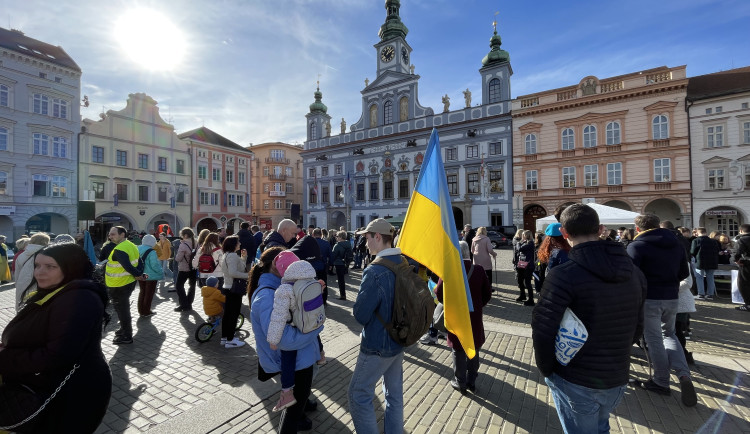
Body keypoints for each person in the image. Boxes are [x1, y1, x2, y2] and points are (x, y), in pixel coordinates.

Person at [532, 204, 647, 433]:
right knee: (601, 427)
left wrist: (547, 370)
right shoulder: (634, 271)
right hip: (616, 374)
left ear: (564, 233)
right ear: (601, 229)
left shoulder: (563, 275)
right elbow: (639, 323)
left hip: (575, 377)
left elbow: (543, 327)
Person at [0, 243, 112, 433]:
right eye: (37, 266)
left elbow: (58, 355)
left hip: (70, 394)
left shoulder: (79, 298)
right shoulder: (56, 292)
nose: (39, 272)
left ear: (70, 267)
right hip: (48, 386)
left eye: (50, 266)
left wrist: (4, 358)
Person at [250, 247, 322, 433]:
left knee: (299, 401)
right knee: (292, 412)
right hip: (294, 361)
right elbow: (283, 340)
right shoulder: (268, 295)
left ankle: (301, 414)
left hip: (301, 357)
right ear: (276, 265)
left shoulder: (288, 287)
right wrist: (317, 328)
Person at [627, 214, 696, 406]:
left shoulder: (636, 246)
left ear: (638, 228)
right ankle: (683, 375)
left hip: (649, 298)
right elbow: (683, 272)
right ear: (658, 226)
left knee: (654, 338)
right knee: (670, 335)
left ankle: (661, 381)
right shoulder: (676, 243)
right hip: (672, 297)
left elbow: (630, 274)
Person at [348, 219, 403, 433]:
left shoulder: (375, 270)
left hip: (377, 344)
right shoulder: (403, 262)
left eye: (367, 238)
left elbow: (361, 315)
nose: (365, 243)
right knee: (394, 395)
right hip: (399, 340)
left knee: (358, 394)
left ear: (377, 237)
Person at [267, 257, 326, 412]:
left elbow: (278, 317)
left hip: (293, 327)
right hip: (311, 325)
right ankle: (321, 355)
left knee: (287, 359)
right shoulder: (312, 283)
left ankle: (287, 393)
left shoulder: (284, 290)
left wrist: (273, 339)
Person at [435, 242, 492, 394]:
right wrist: (478, 305)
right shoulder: (479, 270)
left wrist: (450, 304)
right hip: (474, 316)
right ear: (469, 252)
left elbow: (439, 293)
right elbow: (487, 293)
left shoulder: (449, 270)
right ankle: (471, 381)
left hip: (456, 316)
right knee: (472, 348)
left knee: (458, 350)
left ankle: (460, 382)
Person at [106, 226, 146, 345]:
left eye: (113, 234)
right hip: (127, 283)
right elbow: (140, 262)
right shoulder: (131, 245)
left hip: (118, 285)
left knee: (122, 310)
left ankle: (127, 335)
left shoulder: (120, 249)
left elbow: (127, 266)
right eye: (110, 234)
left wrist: (137, 274)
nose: (110, 237)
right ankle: (123, 329)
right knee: (123, 308)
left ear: (122, 234)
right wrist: (138, 274)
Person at [219, 235, 248, 348]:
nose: (240, 243)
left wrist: (243, 257)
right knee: (233, 314)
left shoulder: (227, 255)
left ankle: (225, 337)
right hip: (233, 288)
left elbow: (238, 268)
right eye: (238, 242)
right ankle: (230, 340)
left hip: (228, 287)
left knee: (227, 314)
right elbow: (233, 272)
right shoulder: (232, 256)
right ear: (233, 244)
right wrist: (248, 275)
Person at [13, 232, 51, 312]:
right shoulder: (48, 254)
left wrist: (18, 285)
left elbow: (17, 274)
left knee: (22, 310)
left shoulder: (22, 255)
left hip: (22, 286)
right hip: (39, 285)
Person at [137, 234, 163, 317]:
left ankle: (141, 311)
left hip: (141, 274)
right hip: (150, 275)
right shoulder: (151, 251)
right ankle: (146, 311)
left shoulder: (137, 249)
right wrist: (161, 272)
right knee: (149, 293)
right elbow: (154, 265)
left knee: (142, 292)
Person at [690, 227, 719, 301]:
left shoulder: (696, 240)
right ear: (706, 232)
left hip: (700, 262)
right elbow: (717, 250)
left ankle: (701, 294)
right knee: (710, 278)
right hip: (712, 262)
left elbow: (692, 252)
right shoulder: (713, 241)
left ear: (697, 232)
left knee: (699, 277)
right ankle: (710, 295)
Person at [174, 227, 197, 312]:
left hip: (184, 268)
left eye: (182, 235)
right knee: (192, 286)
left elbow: (178, 259)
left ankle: (184, 304)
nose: (182, 237)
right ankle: (189, 303)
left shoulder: (183, 245)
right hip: (194, 268)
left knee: (179, 286)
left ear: (186, 235)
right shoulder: (197, 243)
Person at [513, 230, 536, 306]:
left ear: (527, 235)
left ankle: (531, 299)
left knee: (527, 282)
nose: (521, 237)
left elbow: (519, 249)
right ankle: (522, 295)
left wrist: (518, 243)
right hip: (521, 264)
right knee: (520, 280)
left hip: (528, 265)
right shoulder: (524, 242)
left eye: (523, 235)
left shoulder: (530, 243)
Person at [331, 230, 353, 300]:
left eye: (337, 236)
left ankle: (342, 295)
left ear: (340, 237)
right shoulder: (348, 244)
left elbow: (333, 256)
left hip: (338, 263)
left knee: (340, 280)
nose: (336, 237)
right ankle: (343, 295)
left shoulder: (337, 245)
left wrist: (330, 264)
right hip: (346, 263)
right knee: (342, 279)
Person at [312, 228, 331, 302]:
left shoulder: (311, 244)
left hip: (312, 267)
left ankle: (315, 299)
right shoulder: (326, 243)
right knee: (324, 283)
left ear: (313, 234)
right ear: (321, 234)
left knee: (313, 284)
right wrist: (331, 264)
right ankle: (324, 299)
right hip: (322, 266)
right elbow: (330, 255)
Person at [734, 224, 750, 311]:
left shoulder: (742, 240)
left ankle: (748, 304)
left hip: (747, 264)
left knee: (744, 284)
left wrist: (736, 260)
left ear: (741, 231)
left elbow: (738, 252)